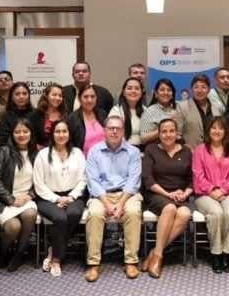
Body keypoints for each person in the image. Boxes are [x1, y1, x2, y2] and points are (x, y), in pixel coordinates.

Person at [83, 116, 144, 282]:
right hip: (102, 194)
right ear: (105, 131)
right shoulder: (94, 151)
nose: (114, 131)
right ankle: (94, 263)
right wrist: (107, 203)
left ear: (124, 131)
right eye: (111, 128)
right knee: (95, 214)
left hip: (127, 194)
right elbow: (92, 180)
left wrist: (121, 203)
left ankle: (131, 261)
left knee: (133, 212)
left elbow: (134, 180)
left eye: (118, 128)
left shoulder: (133, 152)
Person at [34, 120, 87, 277]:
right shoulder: (43, 155)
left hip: (73, 195)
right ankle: (57, 259)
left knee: (73, 214)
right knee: (60, 217)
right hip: (47, 197)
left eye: (64, 131)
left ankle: (53, 251)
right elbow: (38, 183)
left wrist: (71, 196)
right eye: (57, 131)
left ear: (69, 134)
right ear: (52, 134)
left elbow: (84, 179)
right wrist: (57, 199)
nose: (61, 135)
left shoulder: (77, 153)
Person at [141, 119, 193, 278]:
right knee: (170, 208)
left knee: (185, 214)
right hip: (157, 194)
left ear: (177, 133)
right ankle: (158, 258)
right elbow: (148, 179)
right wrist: (167, 194)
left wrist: (185, 193)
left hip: (179, 195)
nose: (168, 134)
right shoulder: (151, 150)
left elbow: (192, 179)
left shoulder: (186, 151)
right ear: (159, 133)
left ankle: (155, 251)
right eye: (164, 131)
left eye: (171, 131)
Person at [0, 119, 39, 272]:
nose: (21, 135)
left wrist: (30, 195)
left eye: (25, 131)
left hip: (25, 198)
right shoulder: (4, 151)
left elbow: (41, 181)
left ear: (31, 133)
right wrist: (11, 199)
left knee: (30, 214)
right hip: (2, 200)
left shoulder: (36, 153)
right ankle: (3, 251)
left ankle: (19, 254)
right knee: (13, 227)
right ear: (12, 134)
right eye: (17, 132)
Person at [192, 117, 229, 273]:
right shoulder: (200, 150)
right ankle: (216, 253)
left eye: (220, 128)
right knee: (216, 213)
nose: (217, 131)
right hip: (204, 193)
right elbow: (197, 175)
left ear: (225, 132)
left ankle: (227, 252)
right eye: (213, 128)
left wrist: (223, 190)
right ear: (208, 130)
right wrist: (212, 190)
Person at [179, 74, 225, 148]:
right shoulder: (182, 107)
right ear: (191, 90)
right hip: (191, 153)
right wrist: (185, 149)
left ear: (209, 89)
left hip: (213, 152)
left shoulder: (217, 107)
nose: (199, 90)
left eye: (203, 87)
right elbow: (177, 133)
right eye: (196, 87)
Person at [140, 79, 185, 145]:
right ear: (156, 94)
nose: (166, 92)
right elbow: (143, 139)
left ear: (172, 94)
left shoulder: (178, 108)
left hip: (177, 148)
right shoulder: (149, 111)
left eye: (169, 90)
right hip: (157, 150)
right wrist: (164, 128)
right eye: (162, 90)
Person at [67, 85, 108, 155]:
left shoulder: (103, 114)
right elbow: (70, 144)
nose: (89, 100)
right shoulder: (73, 118)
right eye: (85, 97)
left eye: (92, 96)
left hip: (106, 157)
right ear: (79, 99)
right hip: (84, 160)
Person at [109, 77, 147, 147]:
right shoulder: (116, 111)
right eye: (129, 88)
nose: (133, 91)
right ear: (123, 92)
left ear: (141, 93)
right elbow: (113, 135)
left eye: (137, 88)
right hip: (122, 150)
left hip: (143, 150)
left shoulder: (145, 110)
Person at [0, 82, 34, 148]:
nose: (21, 97)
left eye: (24, 94)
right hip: (12, 154)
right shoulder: (6, 116)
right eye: (17, 94)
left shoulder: (35, 114)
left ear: (29, 96)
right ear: (12, 97)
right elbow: (0, 141)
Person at [27, 83, 67, 148]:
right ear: (46, 96)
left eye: (60, 96)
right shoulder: (35, 115)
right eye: (54, 95)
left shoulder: (66, 115)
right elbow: (29, 137)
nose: (57, 98)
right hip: (39, 153)